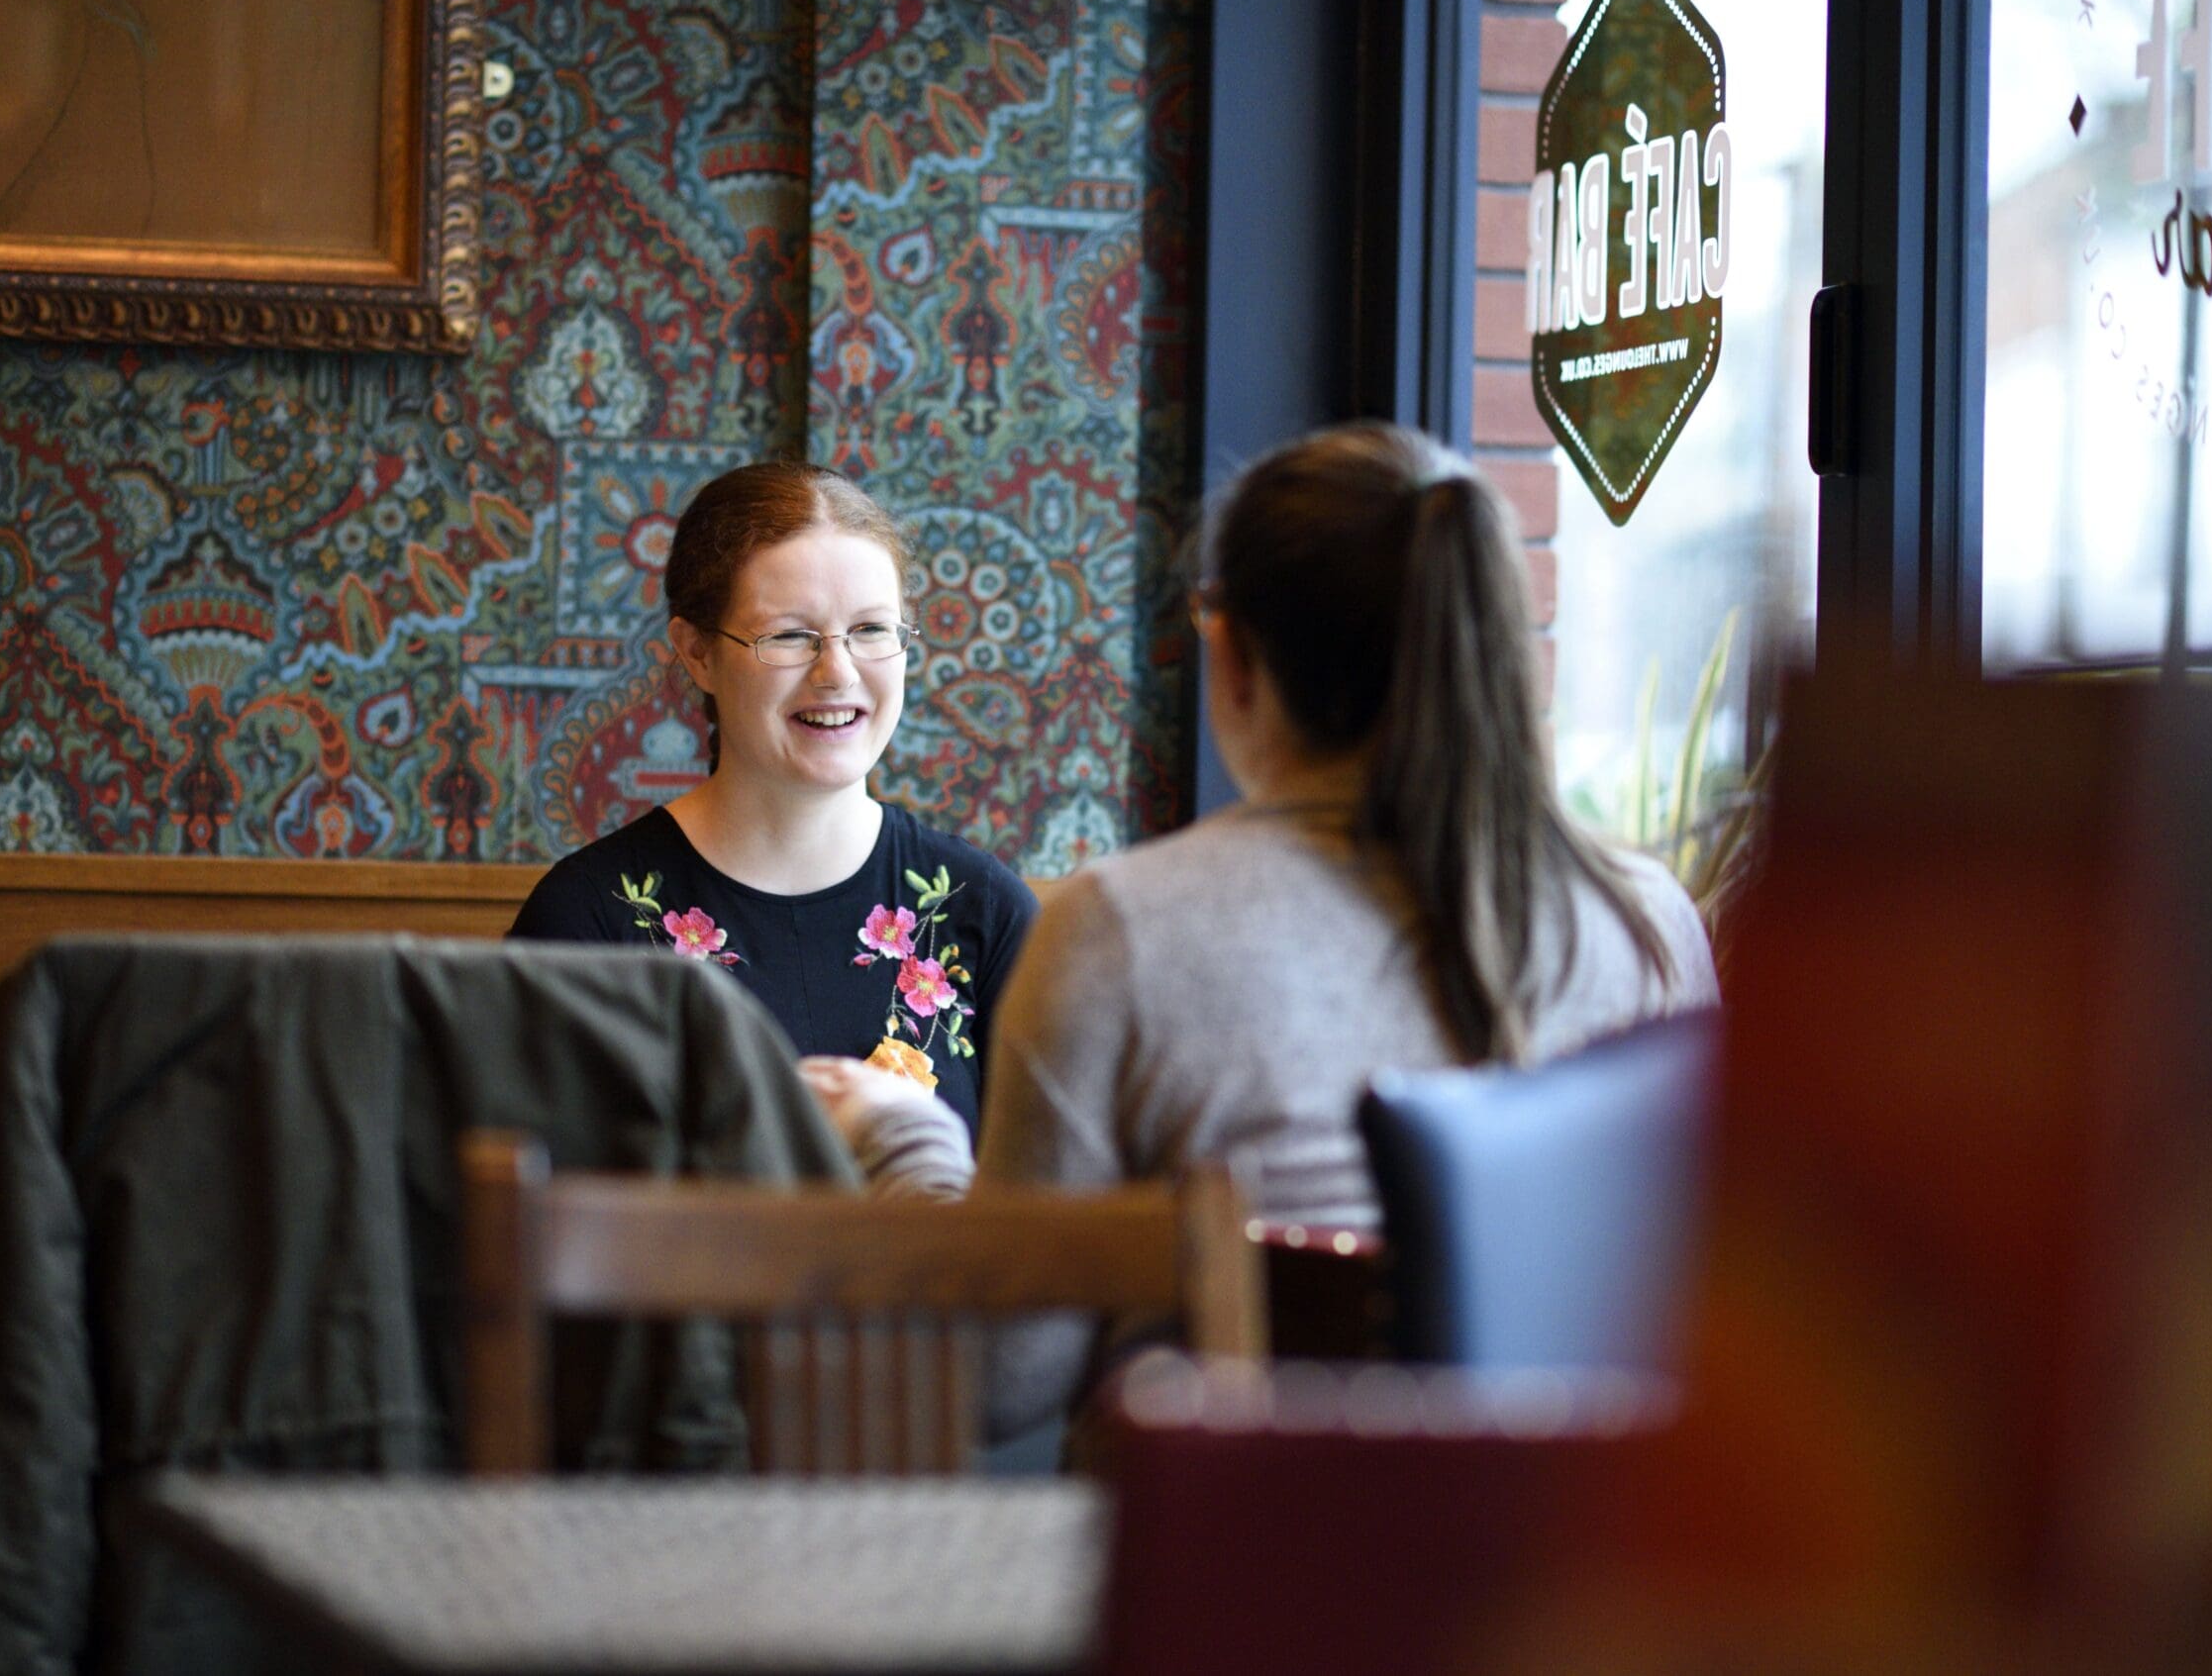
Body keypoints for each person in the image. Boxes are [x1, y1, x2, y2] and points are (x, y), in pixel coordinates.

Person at [800, 421, 1721, 1430]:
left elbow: (1000, 1382)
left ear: (1233, 656)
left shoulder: (1126, 928)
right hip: (1573, 1572)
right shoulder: (1649, 922)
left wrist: (903, 1140)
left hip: (1236, 1568)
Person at [511, 462, 1036, 1134]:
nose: (837, 671)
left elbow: (1044, 1214)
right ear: (697, 652)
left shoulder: (984, 915)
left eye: (872, 629)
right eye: (790, 635)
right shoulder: (587, 921)